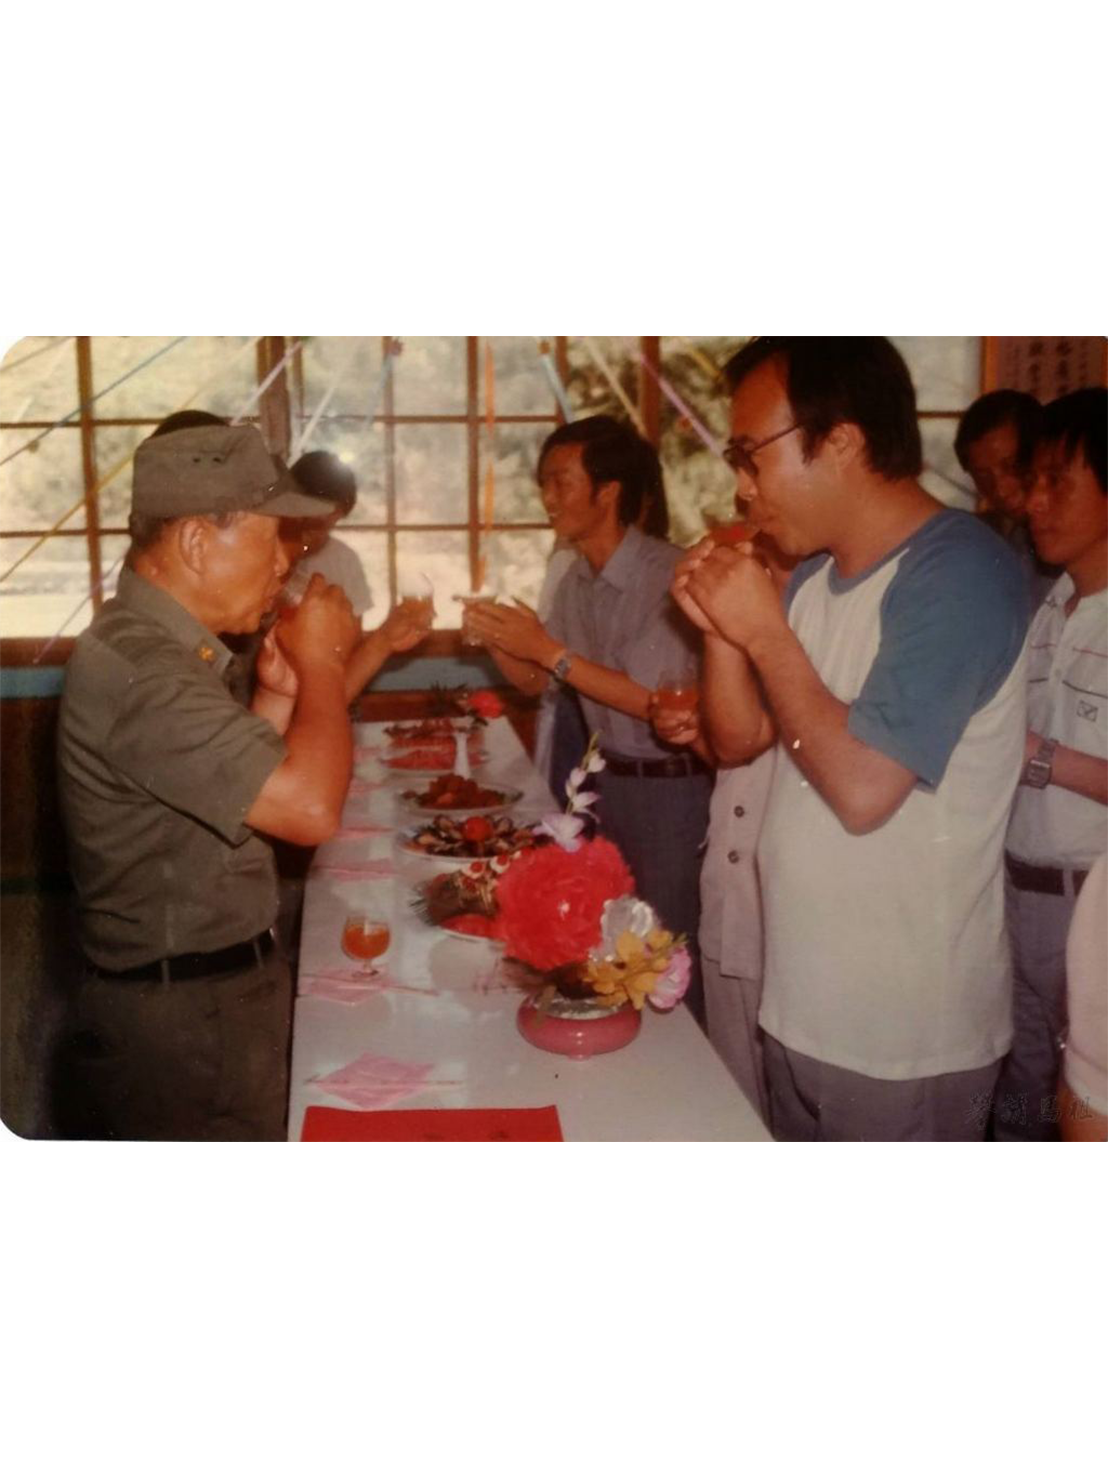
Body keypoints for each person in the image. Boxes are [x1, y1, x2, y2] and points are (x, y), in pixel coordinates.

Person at [674, 337, 1029, 1141]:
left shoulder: (959, 571)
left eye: (749, 458)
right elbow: (740, 741)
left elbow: (866, 789)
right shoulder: (813, 577)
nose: (740, 490)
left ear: (841, 439)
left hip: (905, 1034)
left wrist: (763, 635)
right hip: (801, 1000)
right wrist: (722, 632)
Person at [56, 418, 360, 1140]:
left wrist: (281, 694)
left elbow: (229, 795)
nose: (286, 562)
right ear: (196, 541)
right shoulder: (144, 673)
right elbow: (311, 810)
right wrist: (322, 661)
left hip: (206, 991)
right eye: (270, 538)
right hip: (186, 1024)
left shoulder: (158, 646)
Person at [466, 415, 712, 1022]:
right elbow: (537, 681)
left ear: (608, 491)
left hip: (673, 790)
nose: (547, 498)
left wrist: (545, 646)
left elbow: (654, 702)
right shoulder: (577, 578)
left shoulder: (665, 572)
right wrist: (498, 638)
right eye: (544, 483)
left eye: (560, 482)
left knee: (670, 957)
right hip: (610, 788)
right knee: (614, 952)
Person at [995, 387, 1108, 1140]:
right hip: (1015, 892)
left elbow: (1030, 752)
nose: (1033, 502)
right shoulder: (1049, 606)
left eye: (1056, 482)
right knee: (1020, 1100)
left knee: (1086, 1106)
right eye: (1030, 481)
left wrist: (1036, 757)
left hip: (1092, 902)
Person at [955, 389, 1055, 606]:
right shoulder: (1012, 545)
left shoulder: (1074, 539)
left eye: (1012, 466)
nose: (1000, 489)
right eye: (983, 476)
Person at [286, 449, 374, 618]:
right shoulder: (270, 557)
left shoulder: (344, 559)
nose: (319, 519)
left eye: (330, 516)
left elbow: (354, 633)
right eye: (309, 512)